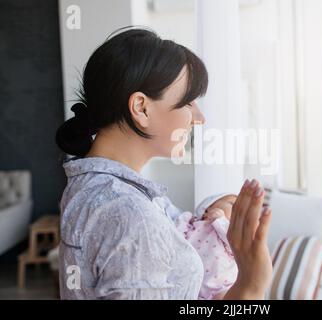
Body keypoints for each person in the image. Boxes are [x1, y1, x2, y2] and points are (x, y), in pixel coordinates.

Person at [55, 27, 272, 300]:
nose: (199, 117)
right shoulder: (131, 215)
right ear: (141, 108)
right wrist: (251, 285)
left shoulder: (96, 188)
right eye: (189, 103)